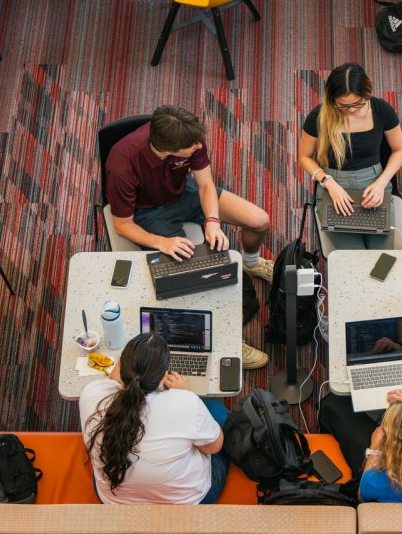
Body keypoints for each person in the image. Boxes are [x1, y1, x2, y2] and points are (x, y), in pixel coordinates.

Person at [106, 105, 270, 368]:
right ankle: (227, 339)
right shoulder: (122, 164)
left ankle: (251, 262)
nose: (199, 146)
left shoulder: (189, 137)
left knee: (259, 220)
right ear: (168, 149)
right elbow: (122, 225)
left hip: (185, 193)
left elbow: (205, 184)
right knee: (191, 278)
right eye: (192, 146)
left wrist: (213, 222)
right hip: (147, 213)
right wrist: (163, 242)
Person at [79, 333, 229, 504]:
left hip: (114, 501)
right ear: (163, 375)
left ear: (122, 367)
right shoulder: (186, 403)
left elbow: (113, 381)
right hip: (187, 502)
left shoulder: (92, 394)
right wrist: (185, 394)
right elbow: (214, 447)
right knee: (217, 410)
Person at [299, 62, 402, 251]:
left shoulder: (381, 109)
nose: (351, 110)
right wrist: (329, 183)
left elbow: (399, 150)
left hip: (374, 181)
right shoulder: (319, 116)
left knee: (382, 258)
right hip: (334, 183)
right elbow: (304, 157)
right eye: (343, 105)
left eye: (358, 104)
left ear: (367, 92)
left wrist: (381, 183)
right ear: (332, 99)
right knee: (350, 258)